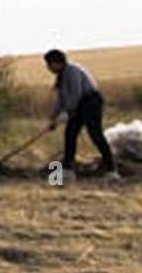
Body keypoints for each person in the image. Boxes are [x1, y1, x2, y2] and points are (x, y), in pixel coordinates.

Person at [44, 49, 118, 178]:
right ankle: (67, 170)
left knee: (95, 134)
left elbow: (75, 95)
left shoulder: (72, 72)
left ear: (57, 63)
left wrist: (67, 113)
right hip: (77, 106)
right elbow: (61, 100)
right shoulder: (61, 77)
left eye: (50, 64)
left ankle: (111, 170)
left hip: (90, 103)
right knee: (70, 134)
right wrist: (53, 118)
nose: (48, 68)